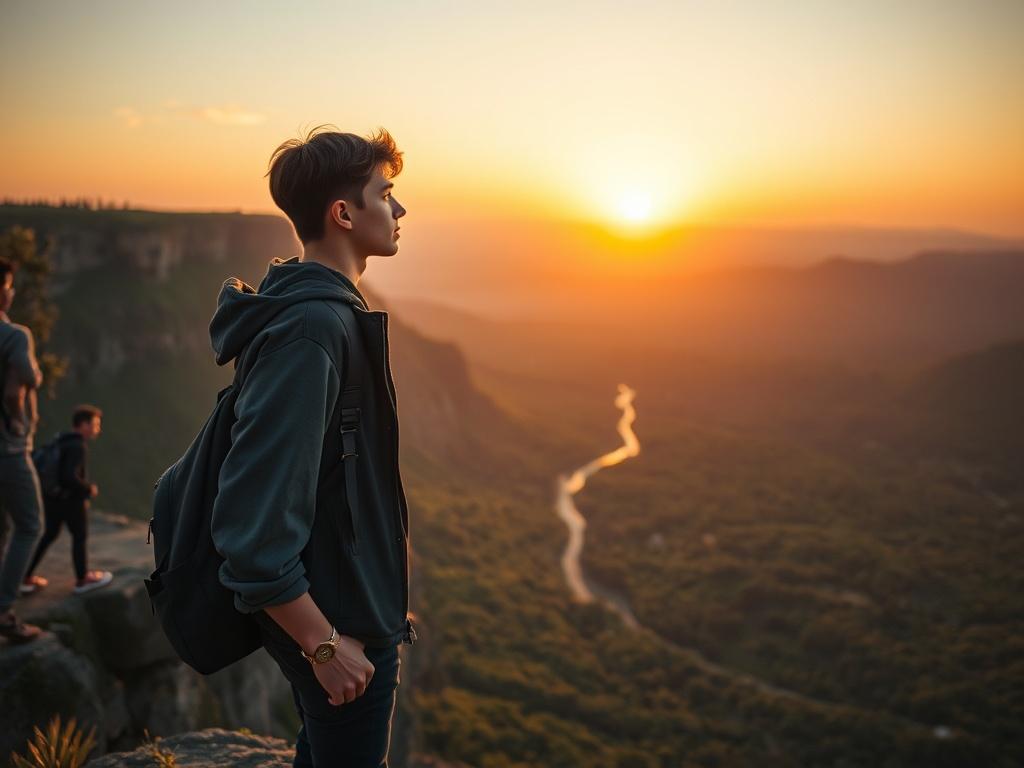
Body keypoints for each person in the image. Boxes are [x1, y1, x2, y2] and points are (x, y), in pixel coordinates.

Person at [208, 126, 414, 767]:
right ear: (344, 213)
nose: (399, 209)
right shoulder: (311, 330)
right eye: (386, 193)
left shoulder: (323, 311)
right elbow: (251, 523)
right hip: (333, 620)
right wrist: (324, 646)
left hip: (346, 603)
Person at [21, 404, 112, 595]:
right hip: (71, 501)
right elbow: (68, 477)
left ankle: (25, 577)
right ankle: (82, 580)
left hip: (53, 498)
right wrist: (89, 489)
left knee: (49, 535)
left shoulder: (61, 441)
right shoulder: (78, 445)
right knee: (79, 537)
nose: (98, 428)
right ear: (83, 425)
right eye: (95, 424)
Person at [0, 257, 44, 643]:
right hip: (8, 448)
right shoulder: (14, 336)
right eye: (10, 285)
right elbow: (25, 381)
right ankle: (3, 611)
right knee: (30, 525)